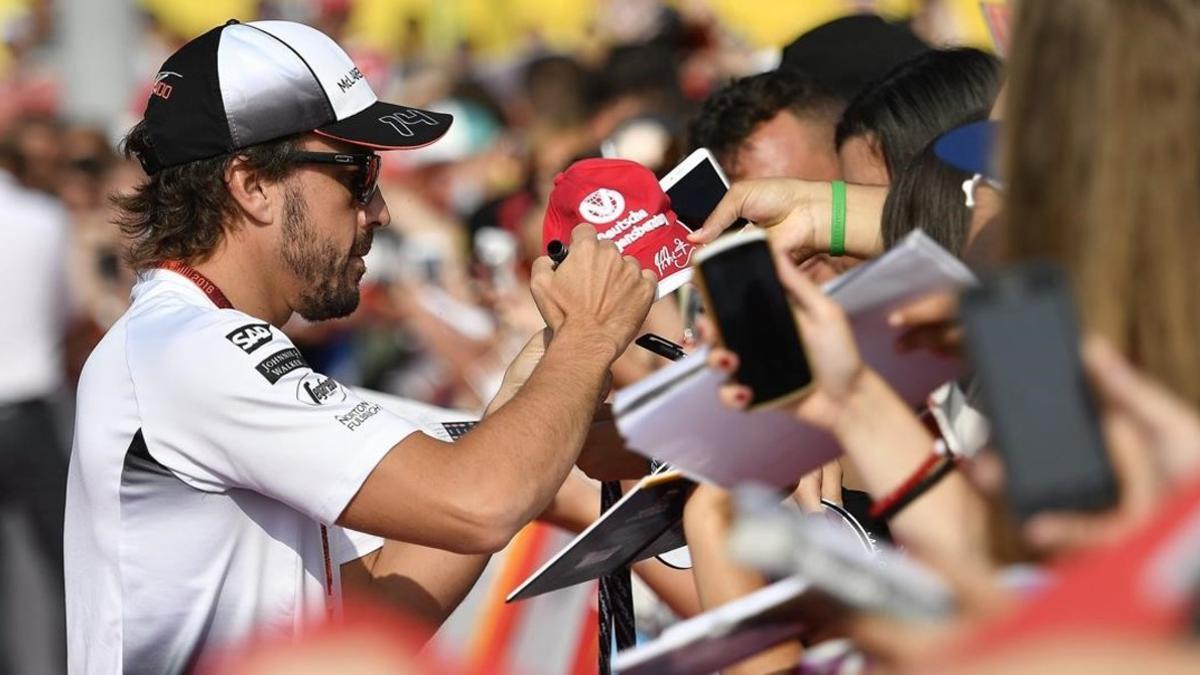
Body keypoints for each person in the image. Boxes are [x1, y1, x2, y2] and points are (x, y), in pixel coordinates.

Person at [64, 20, 655, 674]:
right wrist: (589, 335)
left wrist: (531, 393)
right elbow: (480, 502)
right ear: (250, 183)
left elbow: (362, 620)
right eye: (358, 172)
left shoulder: (187, 338)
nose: (379, 210)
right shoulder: (193, 349)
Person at [0, 118, 71, 675]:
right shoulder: (45, 219)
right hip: (29, 413)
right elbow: (65, 313)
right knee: (65, 566)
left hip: (30, 405)